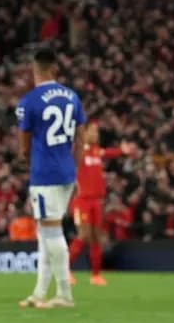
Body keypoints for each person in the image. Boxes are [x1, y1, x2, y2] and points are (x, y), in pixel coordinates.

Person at [15, 49, 86, 309]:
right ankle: (39, 292)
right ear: (54, 69)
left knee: (52, 232)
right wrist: (74, 171)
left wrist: (26, 160)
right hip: (66, 172)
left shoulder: (29, 101)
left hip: (45, 174)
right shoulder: (72, 97)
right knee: (44, 232)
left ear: (34, 70)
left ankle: (65, 294)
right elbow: (80, 141)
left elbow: (23, 145)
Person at [67, 122, 136, 286]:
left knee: (97, 238)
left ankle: (96, 275)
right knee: (83, 235)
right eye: (93, 132)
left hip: (97, 201)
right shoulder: (78, 151)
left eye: (97, 132)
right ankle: (65, 271)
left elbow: (110, 153)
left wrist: (122, 151)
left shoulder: (97, 152)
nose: (96, 135)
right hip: (82, 201)